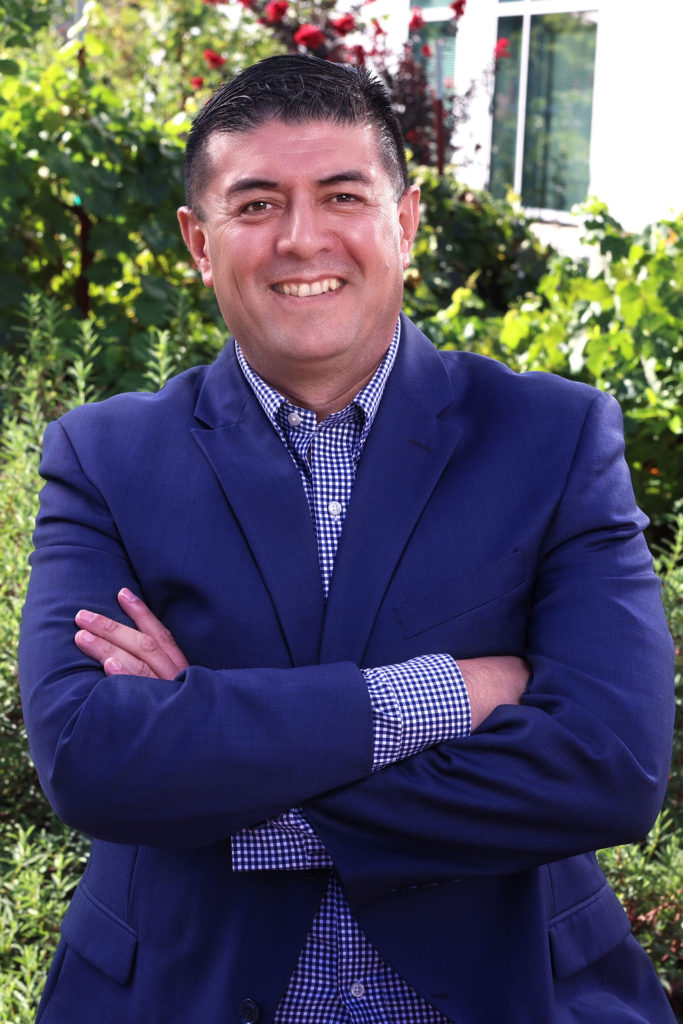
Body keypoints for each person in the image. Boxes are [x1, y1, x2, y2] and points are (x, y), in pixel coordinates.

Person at [19, 54, 676, 1024]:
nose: (300, 238)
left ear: (403, 223)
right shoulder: (105, 458)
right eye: (255, 205)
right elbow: (90, 756)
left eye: (341, 195)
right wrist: (446, 695)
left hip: (504, 993)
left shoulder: (552, 438)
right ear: (199, 242)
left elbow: (608, 767)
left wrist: (216, 764)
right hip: (183, 994)